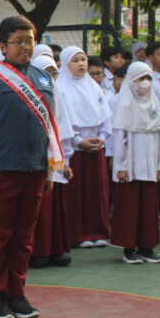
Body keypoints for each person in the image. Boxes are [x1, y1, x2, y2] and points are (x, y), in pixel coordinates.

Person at [0, 16, 64, 318]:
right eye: (18, 41)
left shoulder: (44, 79)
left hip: (35, 170)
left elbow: (53, 128)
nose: (25, 47)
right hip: (1, 170)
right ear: (2, 45)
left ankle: (17, 293)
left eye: (29, 41)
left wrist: (52, 171)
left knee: (24, 236)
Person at [110, 62, 160, 264]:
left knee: (148, 208)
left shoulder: (153, 104)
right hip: (130, 168)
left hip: (149, 166)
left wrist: (159, 165)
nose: (145, 83)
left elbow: (159, 138)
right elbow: (119, 140)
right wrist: (121, 167)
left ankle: (147, 246)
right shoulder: (124, 105)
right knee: (130, 207)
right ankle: (129, 248)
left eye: (149, 78)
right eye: (140, 79)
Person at [57, 47, 111, 249]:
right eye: (75, 60)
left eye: (83, 59)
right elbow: (63, 121)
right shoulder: (61, 88)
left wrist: (102, 137)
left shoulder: (93, 87)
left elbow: (105, 115)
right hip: (74, 150)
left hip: (95, 147)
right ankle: (78, 234)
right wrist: (79, 141)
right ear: (65, 64)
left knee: (96, 192)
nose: (81, 64)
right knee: (77, 193)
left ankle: (97, 231)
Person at [29, 55, 75, 268]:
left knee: (53, 206)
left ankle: (56, 248)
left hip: (54, 161)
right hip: (35, 160)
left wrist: (63, 162)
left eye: (52, 73)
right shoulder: (28, 96)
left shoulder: (55, 94)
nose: (49, 78)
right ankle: (37, 251)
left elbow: (63, 131)